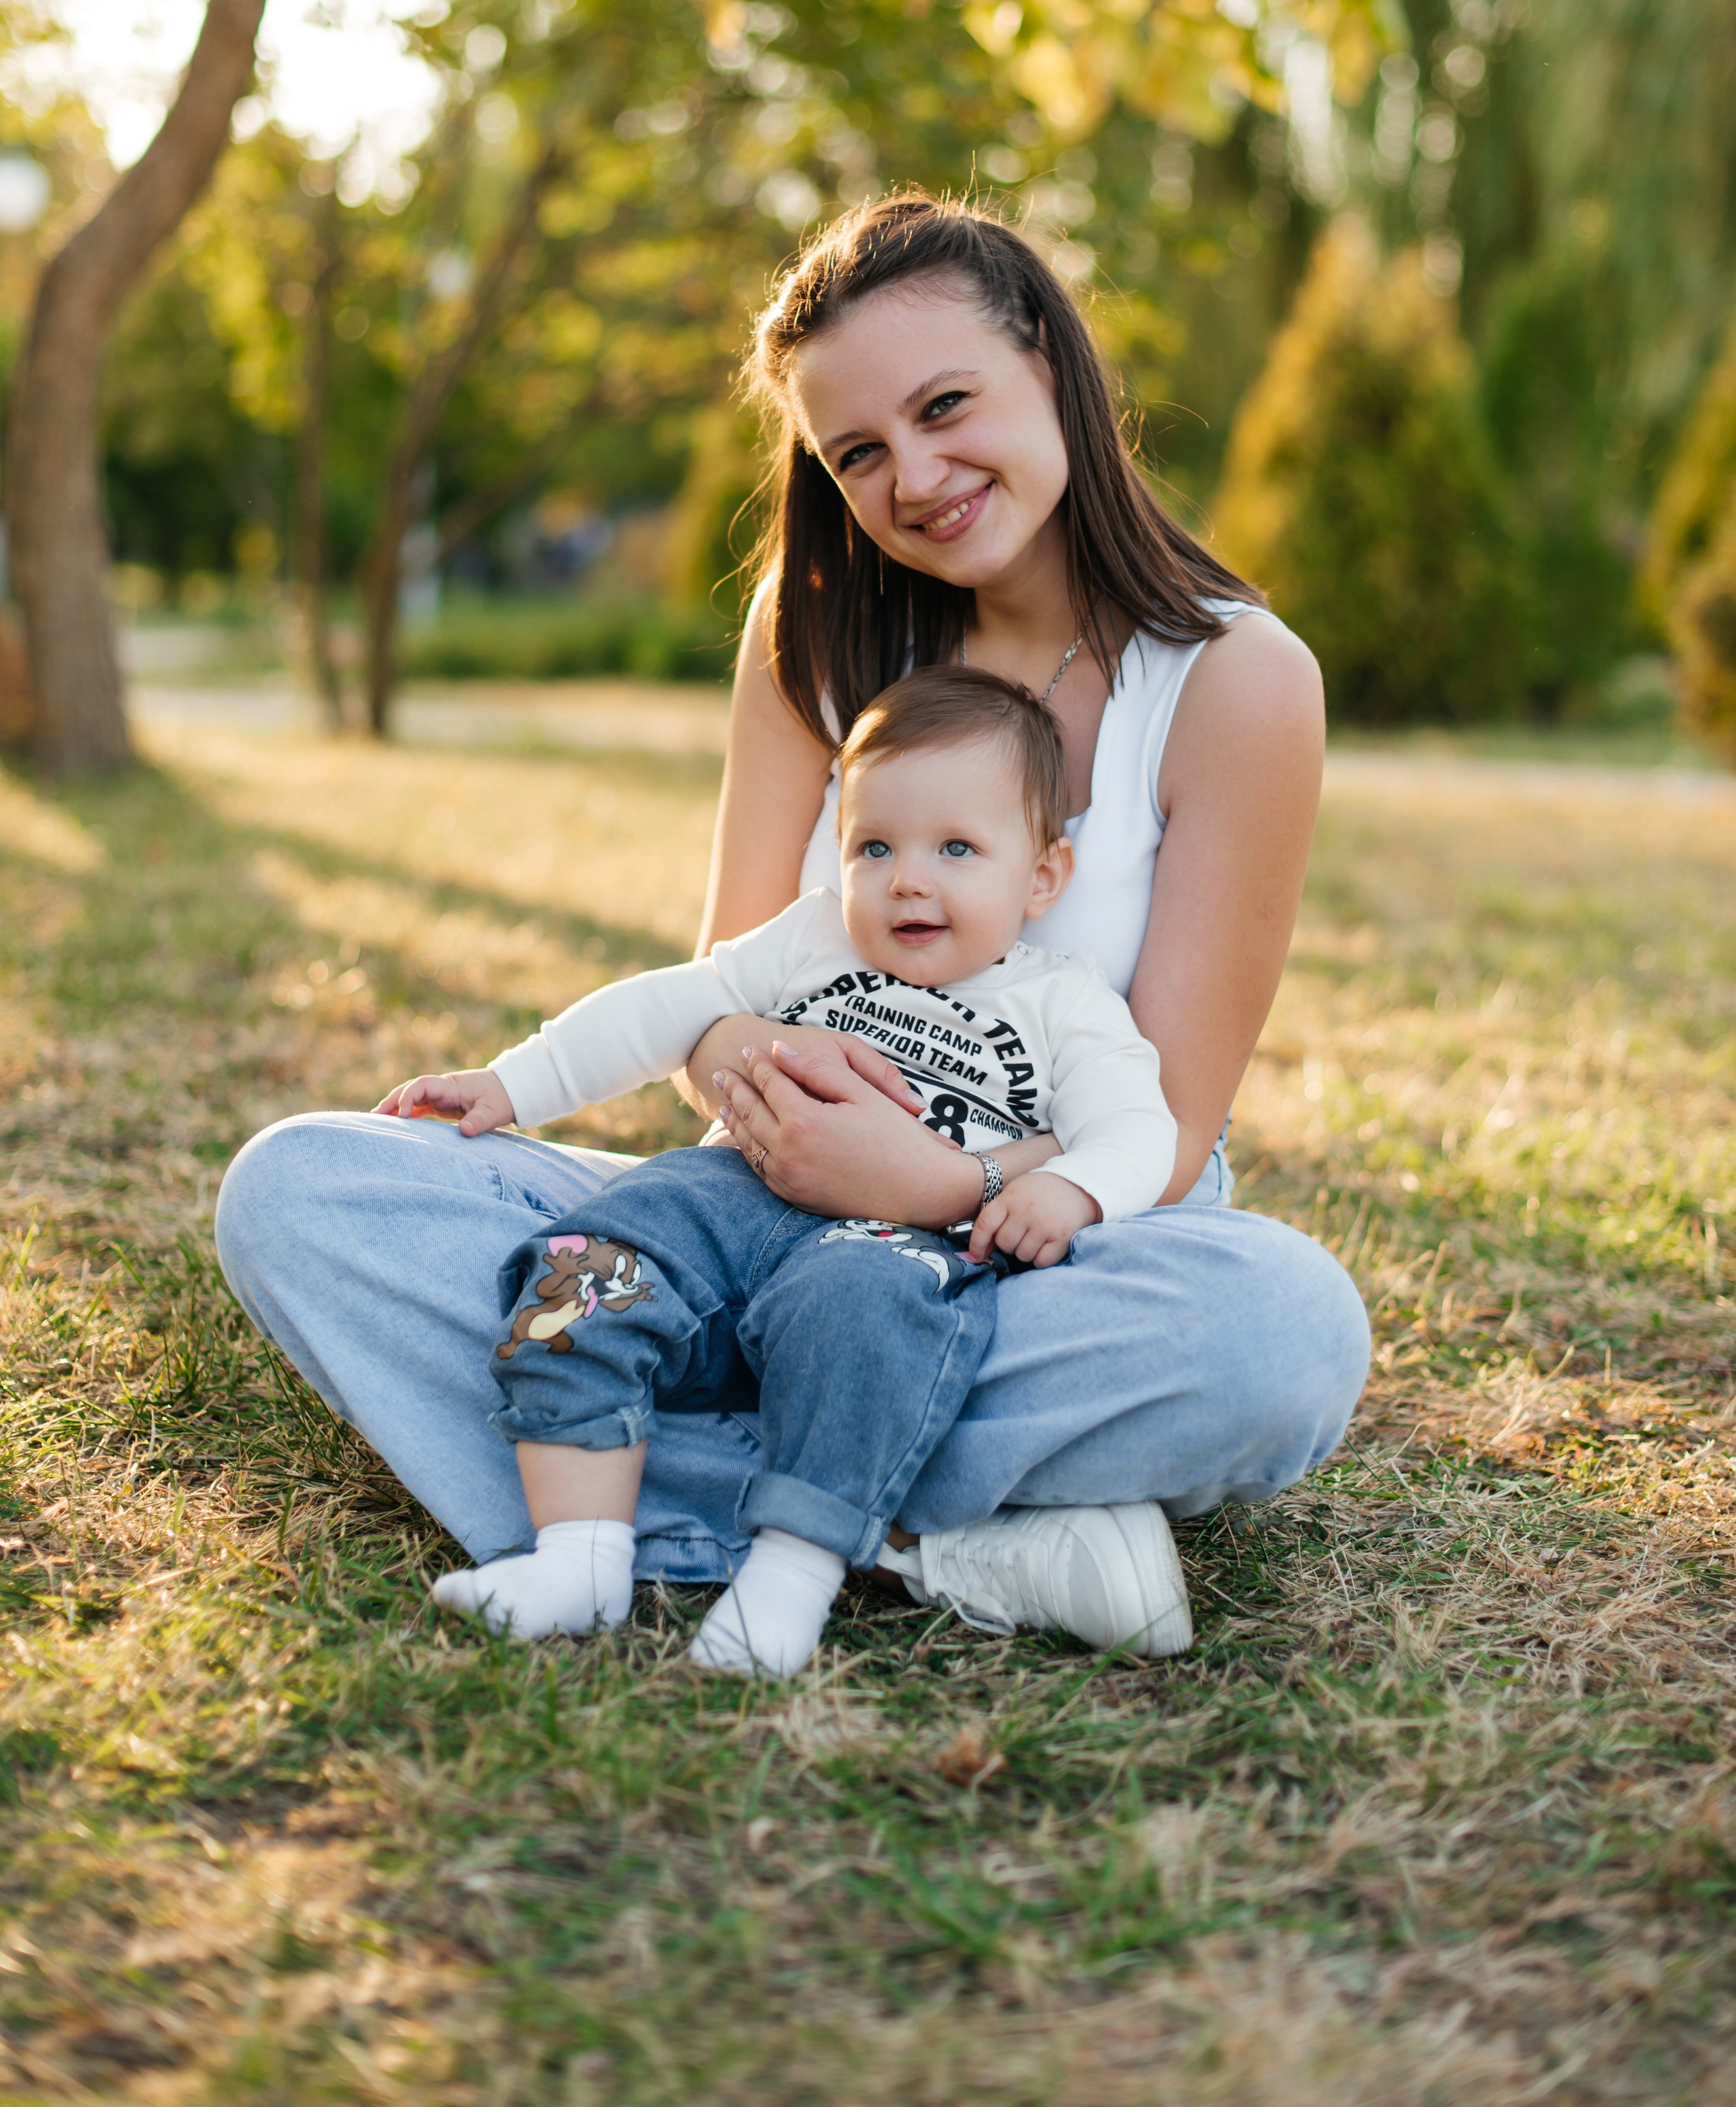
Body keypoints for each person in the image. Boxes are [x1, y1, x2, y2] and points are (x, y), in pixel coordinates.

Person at [215, 191, 1370, 1656]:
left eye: (946, 404)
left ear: (1047, 359)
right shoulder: (814, 624)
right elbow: (718, 1014)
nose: (918, 476)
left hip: (1035, 1246)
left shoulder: (1234, 680)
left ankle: (676, 1484)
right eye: (861, 451)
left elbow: (1173, 1130)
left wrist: (934, 1183)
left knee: (1284, 1333)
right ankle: (926, 1536)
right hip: (750, 1212)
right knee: (299, 1191)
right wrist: (748, 1120)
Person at [406, 667, 1179, 1674]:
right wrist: (516, 1083)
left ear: (1042, 876)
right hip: (733, 1192)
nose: (909, 877)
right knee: (596, 1252)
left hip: (897, 1237)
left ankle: (787, 1583)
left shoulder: (1062, 1005)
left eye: (957, 848)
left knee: (865, 1325)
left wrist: (1067, 1189)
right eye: (875, 846)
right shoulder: (813, 939)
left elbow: (1140, 1127)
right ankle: (576, 1554)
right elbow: (669, 1005)